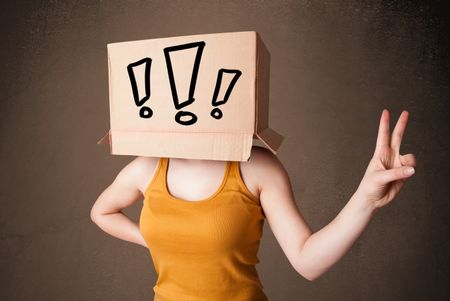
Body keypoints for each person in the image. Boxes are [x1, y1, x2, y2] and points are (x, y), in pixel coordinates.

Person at [90, 109, 416, 299]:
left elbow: (308, 262)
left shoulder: (257, 166)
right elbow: (101, 212)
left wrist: (366, 198)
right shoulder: (145, 168)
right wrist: (158, 240)